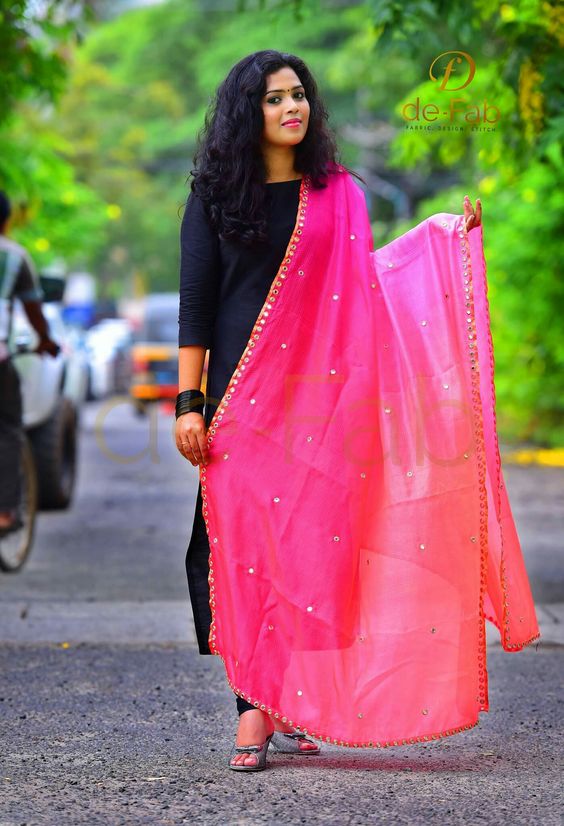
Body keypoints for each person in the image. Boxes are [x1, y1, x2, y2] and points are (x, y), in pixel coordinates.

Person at [175, 51, 536, 773]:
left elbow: (368, 286)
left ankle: (293, 698)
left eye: (299, 95)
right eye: (275, 98)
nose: (292, 108)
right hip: (241, 405)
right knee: (233, 548)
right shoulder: (216, 194)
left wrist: (441, 241)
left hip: (324, 404)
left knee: (316, 550)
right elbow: (198, 302)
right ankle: (253, 704)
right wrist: (189, 402)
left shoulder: (337, 192)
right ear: (249, 113)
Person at [0, 191, 60, 535]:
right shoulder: (13, 256)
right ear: (7, 220)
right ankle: (6, 512)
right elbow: (33, 311)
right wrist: (46, 341)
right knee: (8, 429)